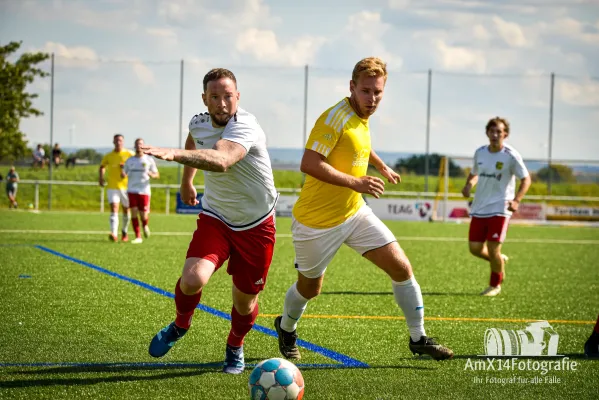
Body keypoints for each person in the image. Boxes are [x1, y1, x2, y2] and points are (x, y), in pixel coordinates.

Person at [273, 57, 453, 361]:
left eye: (378, 92)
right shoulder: (334, 118)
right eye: (366, 91)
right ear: (352, 87)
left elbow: (360, 145)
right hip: (316, 222)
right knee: (310, 288)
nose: (372, 99)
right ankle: (286, 327)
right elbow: (309, 163)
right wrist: (355, 182)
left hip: (355, 213)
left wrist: (381, 166)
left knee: (401, 268)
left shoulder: (361, 117)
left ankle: (418, 338)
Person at [143, 68, 278, 374]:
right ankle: (180, 325)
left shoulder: (246, 126)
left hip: (256, 225)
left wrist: (175, 156)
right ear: (204, 99)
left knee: (244, 303)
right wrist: (187, 182)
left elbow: (222, 160)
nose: (221, 103)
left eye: (227, 96)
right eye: (214, 97)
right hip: (216, 216)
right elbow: (195, 139)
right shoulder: (199, 121)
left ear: (238, 97)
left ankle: (235, 345)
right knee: (192, 280)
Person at [461, 117, 531, 296]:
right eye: (492, 131)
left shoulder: (511, 156)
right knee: (475, 248)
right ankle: (498, 260)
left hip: (501, 208)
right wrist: (469, 185)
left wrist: (516, 200)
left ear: (505, 134)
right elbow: (475, 173)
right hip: (480, 207)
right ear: (487, 133)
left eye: (499, 132)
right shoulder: (480, 152)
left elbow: (526, 179)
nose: (495, 135)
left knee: (493, 248)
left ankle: (495, 285)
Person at [122, 138, 159, 244]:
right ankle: (138, 236)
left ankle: (145, 225)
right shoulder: (130, 160)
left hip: (144, 191)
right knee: (133, 212)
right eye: (137, 144)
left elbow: (157, 174)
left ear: (143, 146)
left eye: (141, 144)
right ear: (134, 146)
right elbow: (124, 173)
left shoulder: (149, 160)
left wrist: (152, 174)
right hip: (132, 190)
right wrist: (123, 174)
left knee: (143, 214)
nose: (139, 146)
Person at [99, 134, 134, 242]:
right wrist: (101, 177)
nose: (118, 142)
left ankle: (124, 231)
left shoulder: (129, 154)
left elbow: (135, 165)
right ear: (113, 142)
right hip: (112, 186)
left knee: (126, 210)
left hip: (127, 187)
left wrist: (126, 169)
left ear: (123, 142)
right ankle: (113, 233)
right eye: (116, 140)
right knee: (114, 208)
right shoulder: (109, 155)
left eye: (120, 140)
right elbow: (102, 166)